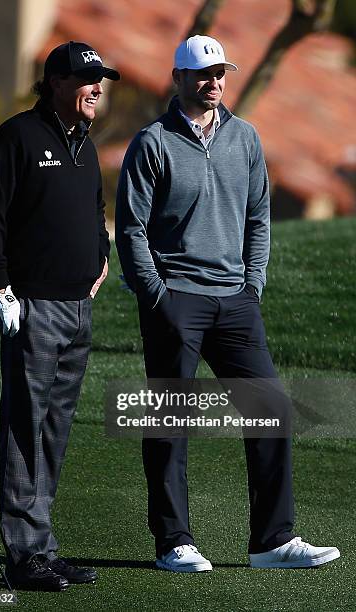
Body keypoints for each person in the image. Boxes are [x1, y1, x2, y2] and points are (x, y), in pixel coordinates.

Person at [115, 35, 340, 572]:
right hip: (176, 299)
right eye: (202, 74)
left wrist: (253, 284)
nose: (213, 83)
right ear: (178, 79)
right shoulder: (152, 143)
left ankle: (272, 541)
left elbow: (259, 216)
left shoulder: (245, 138)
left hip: (235, 300)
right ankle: (173, 541)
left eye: (220, 73)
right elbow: (131, 229)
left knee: (273, 410)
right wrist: (157, 296)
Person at [0, 41, 119, 590]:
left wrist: (100, 256)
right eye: (87, 79)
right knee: (24, 428)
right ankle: (23, 554)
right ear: (55, 81)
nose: (97, 88)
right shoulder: (16, 138)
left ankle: (43, 544)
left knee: (53, 430)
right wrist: (1, 288)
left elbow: (95, 208)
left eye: (100, 79)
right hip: (32, 306)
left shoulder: (84, 143)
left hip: (79, 308)